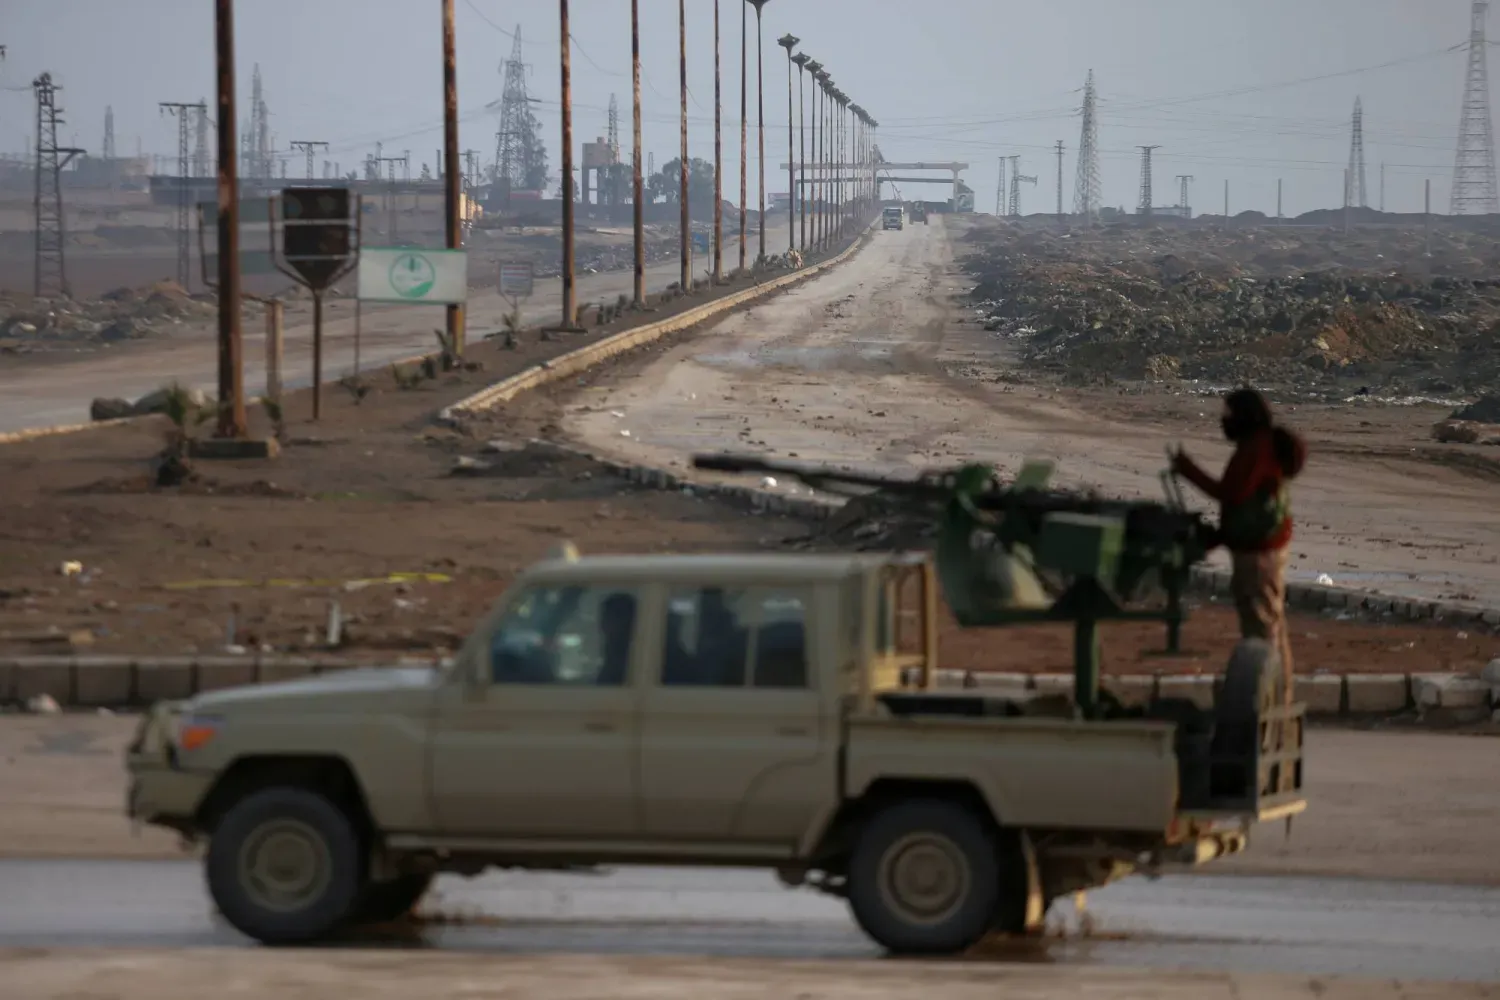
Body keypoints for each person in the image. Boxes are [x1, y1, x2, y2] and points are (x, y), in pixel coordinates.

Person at [1171, 387, 1307, 703]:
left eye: (1229, 414)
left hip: (1259, 555)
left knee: (1262, 628)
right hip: (1262, 549)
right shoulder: (1258, 446)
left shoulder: (1255, 450)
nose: (1224, 420)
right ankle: (1278, 696)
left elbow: (1231, 494)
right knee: (1271, 624)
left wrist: (1188, 470)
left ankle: (1270, 699)